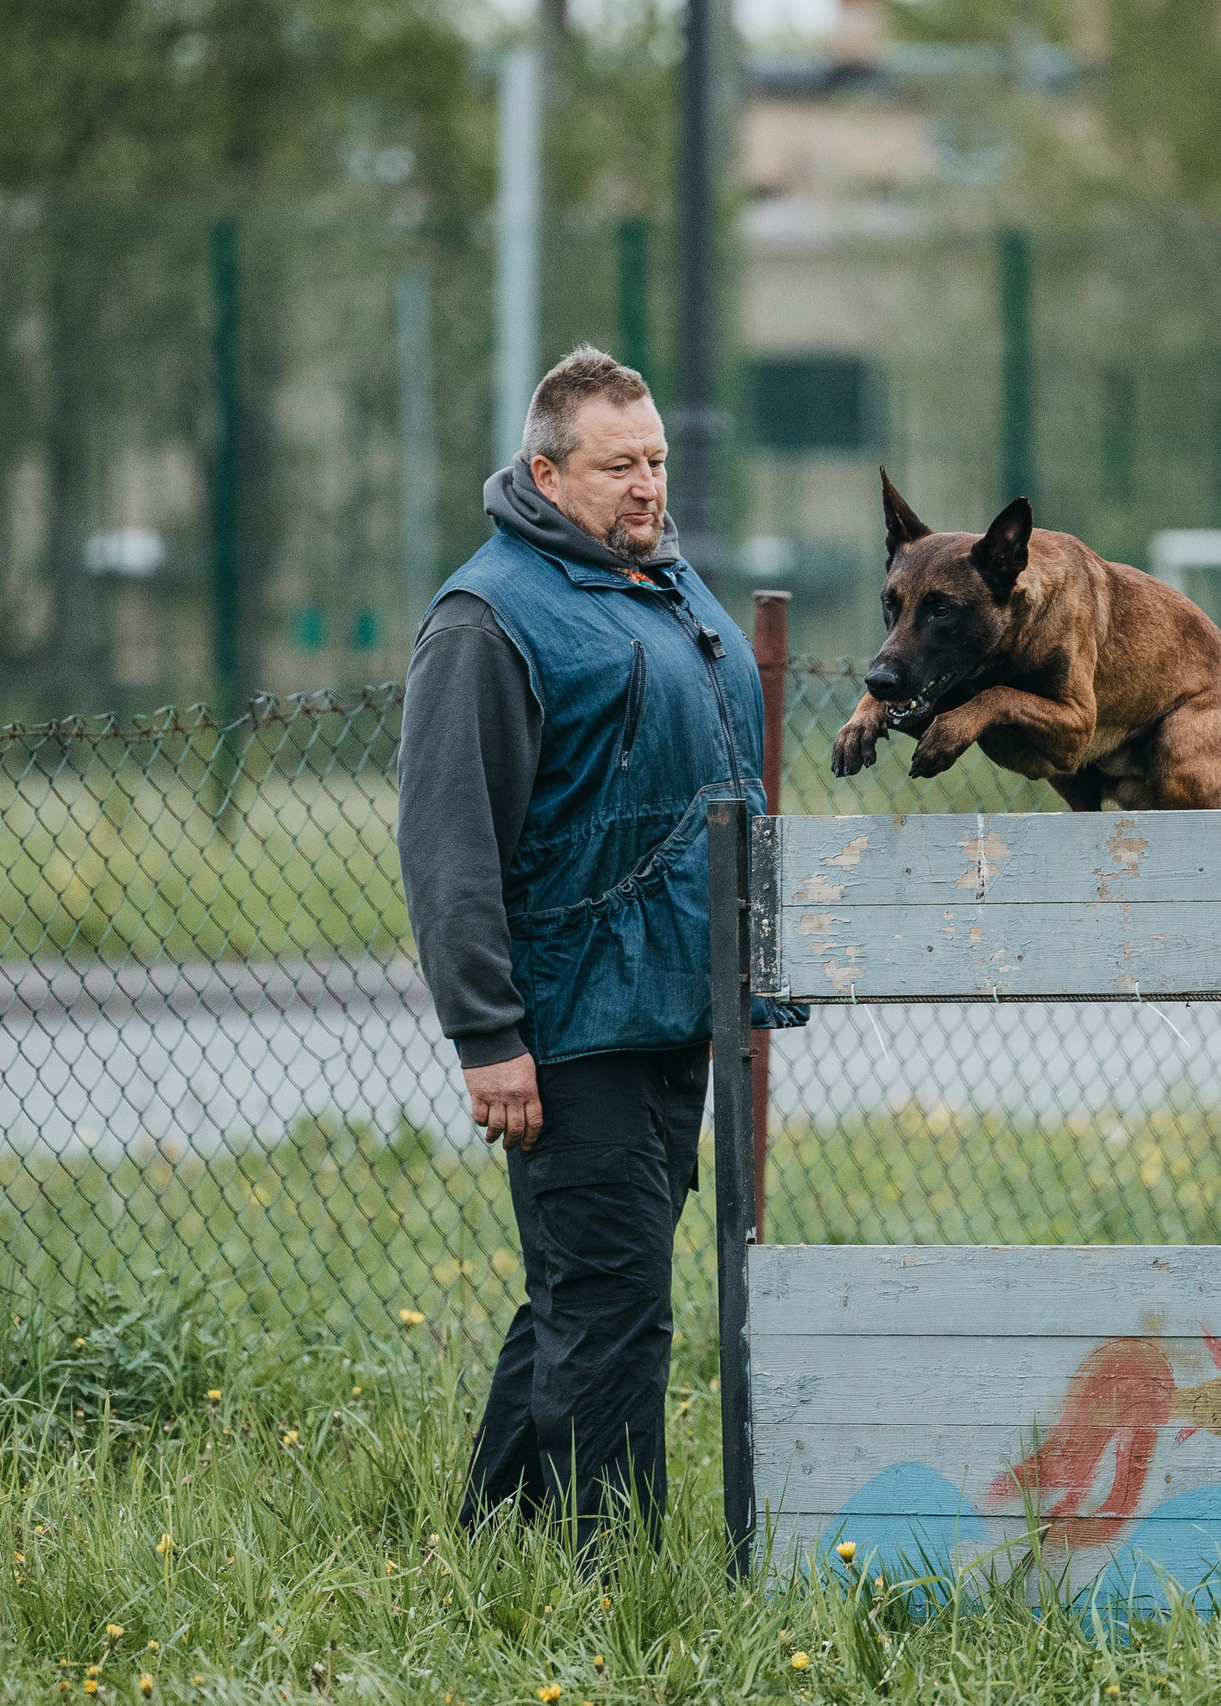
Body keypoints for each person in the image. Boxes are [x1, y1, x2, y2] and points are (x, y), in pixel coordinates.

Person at [397, 344, 796, 1550]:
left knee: (587, 1287)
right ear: (545, 470)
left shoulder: (654, 583)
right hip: (573, 1021)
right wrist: (488, 1033)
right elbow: (449, 842)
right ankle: (606, 1575)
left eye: (657, 460)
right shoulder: (489, 617)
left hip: (674, 1003)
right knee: (615, 1304)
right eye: (618, 464)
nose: (646, 486)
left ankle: (487, 1543)